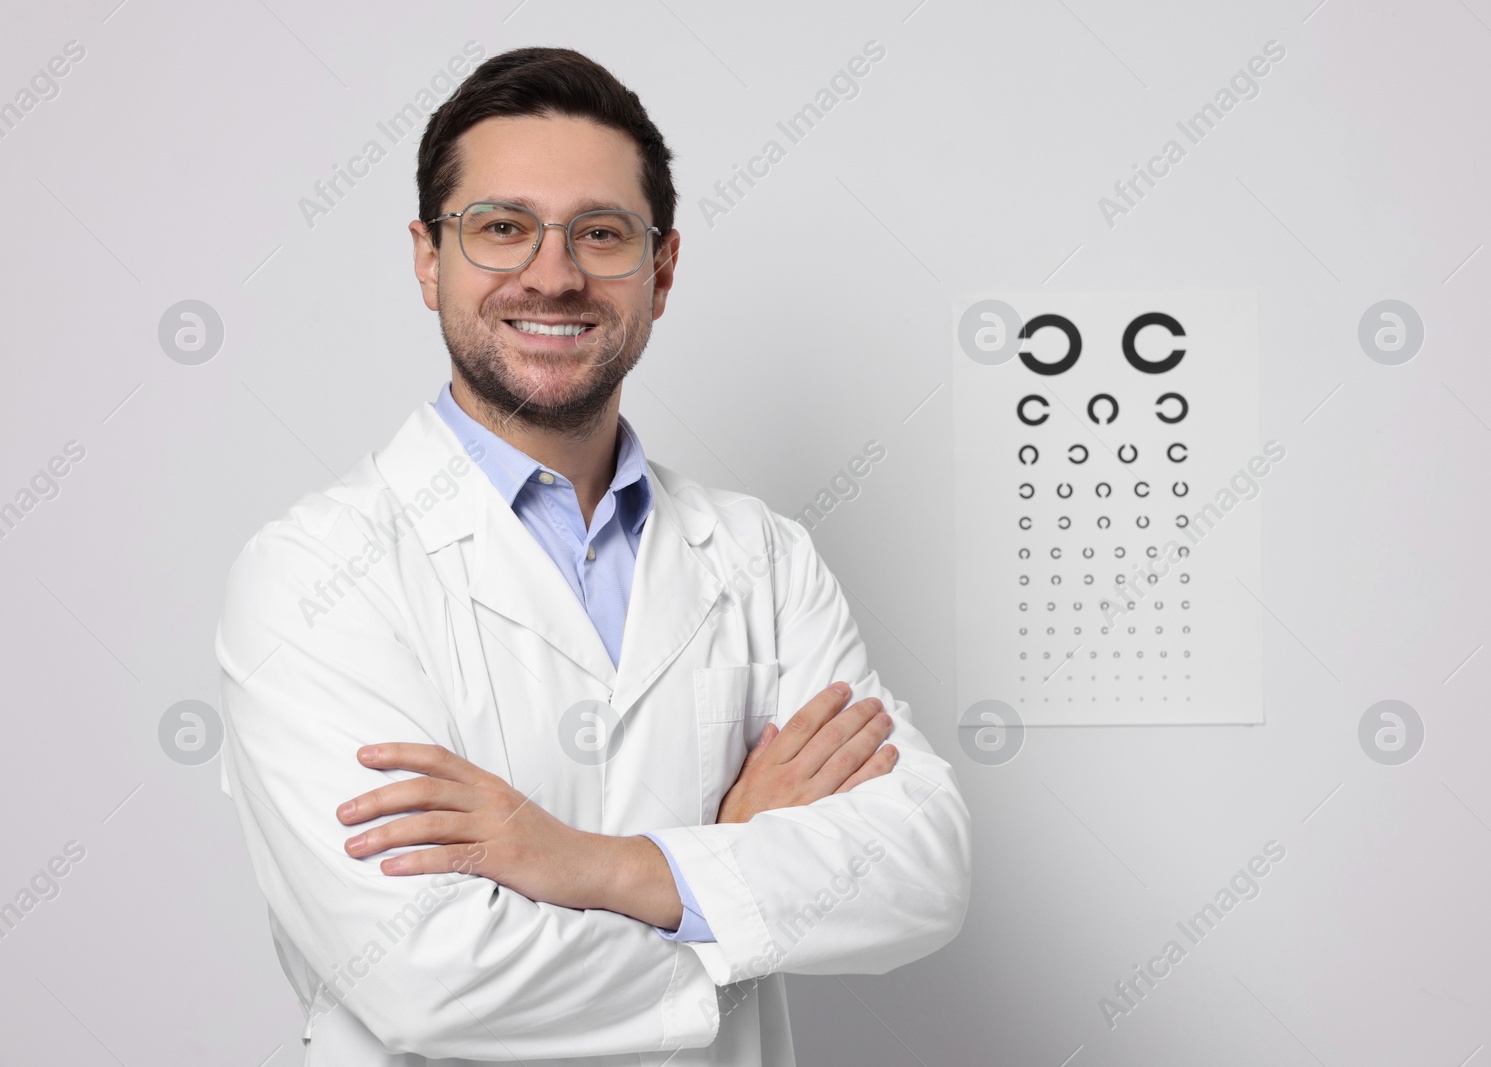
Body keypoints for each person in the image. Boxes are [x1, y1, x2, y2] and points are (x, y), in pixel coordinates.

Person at [216, 45, 970, 1067]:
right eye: (501, 227)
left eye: (600, 234)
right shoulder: (314, 574)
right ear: (428, 258)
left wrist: (593, 864)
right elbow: (426, 976)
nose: (553, 274)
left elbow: (919, 869)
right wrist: (726, 887)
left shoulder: (760, 556)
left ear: (659, 270)